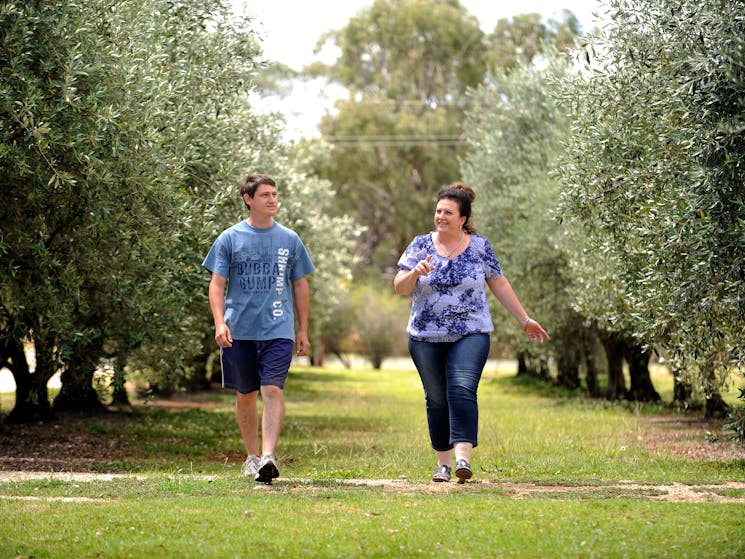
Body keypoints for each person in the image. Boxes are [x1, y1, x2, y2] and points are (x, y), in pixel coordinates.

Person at [394, 182, 549, 484]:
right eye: (438, 211)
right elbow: (400, 286)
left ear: (462, 218)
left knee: (462, 388)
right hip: (426, 336)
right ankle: (443, 464)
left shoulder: (479, 247)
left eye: (448, 212)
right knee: (436, 399)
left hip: (472, 331)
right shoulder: (420, 245)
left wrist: (524, 319)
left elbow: (499, 283)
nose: (441, 217)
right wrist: (415, 272)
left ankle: (463, 456)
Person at [203, 173, 315, 484]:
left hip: (278, 329)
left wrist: (303, 330)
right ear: (248, 199)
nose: (272, 200)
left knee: (272, 389)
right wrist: (219, 322)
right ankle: (251, 457)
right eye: (265, 195)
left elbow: (301, 284)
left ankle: (268, 455)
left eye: (274, 194)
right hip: (239, 330)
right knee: (246, 394)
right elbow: (216, 285)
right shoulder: (230, 238)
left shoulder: (289, 239)